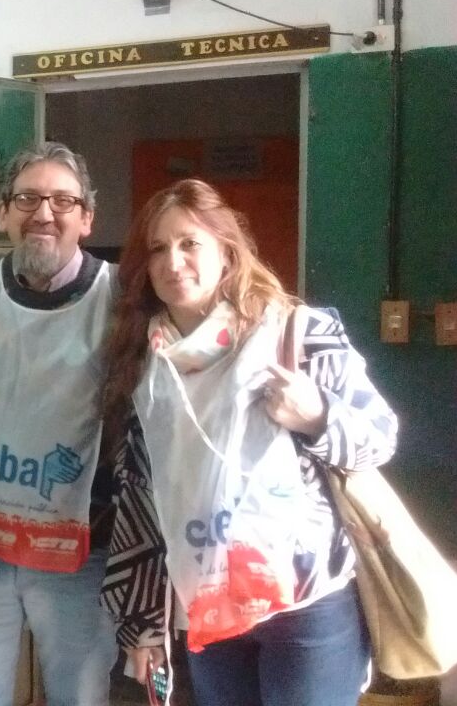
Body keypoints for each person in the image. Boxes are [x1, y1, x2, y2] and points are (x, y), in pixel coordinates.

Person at [100, 179, 398, 705]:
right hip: (207, 607)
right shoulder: (144, 364)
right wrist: (143, 622)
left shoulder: (297, 334)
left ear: (227, 252)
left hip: (303, 602)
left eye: (190, 243)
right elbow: (141, 502)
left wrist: (317, 416)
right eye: (158, 248)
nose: (173, 261)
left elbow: (379, 439)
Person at [0, 142, 119, 706]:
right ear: (2, 213)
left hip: (82, 553)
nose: (44, 213)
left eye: (63, 200)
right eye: (27, 199)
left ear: (87, 219)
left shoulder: (124, 300)